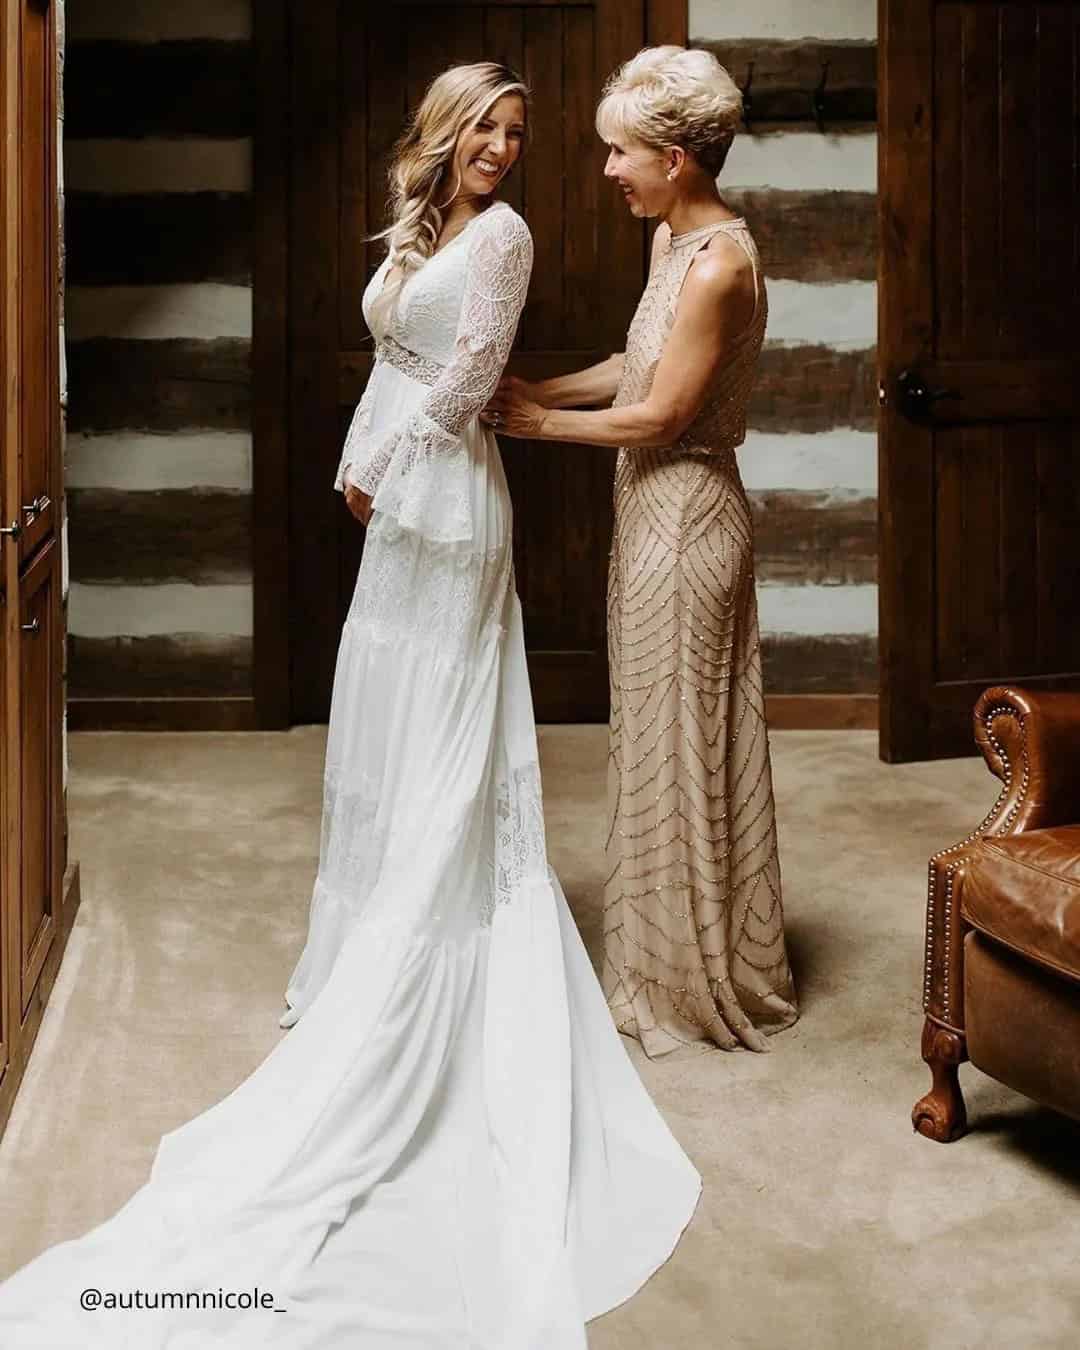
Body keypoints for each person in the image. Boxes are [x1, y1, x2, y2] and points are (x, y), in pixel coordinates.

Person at [0, 61, 701, 1348]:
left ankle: (418, 973)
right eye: (482, 126)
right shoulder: (419, 224)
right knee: (379, 731)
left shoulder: (507, 239)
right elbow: (396, 349)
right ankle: (357, 950)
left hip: (448, 508)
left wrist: (374, 457)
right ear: (439, 129)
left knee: (440, 734)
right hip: (396, 507)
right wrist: (352, 451)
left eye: (515, 132)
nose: (500, 147)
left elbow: (464, 382)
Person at [483, 46, 799, 1059]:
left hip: (688, 515)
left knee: (680, 742)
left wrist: (534, 430)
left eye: (620, 153)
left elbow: (661, 414)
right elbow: (632, 365)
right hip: (652, 515)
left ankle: (689, 976)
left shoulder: (719, 264)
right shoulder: (674, 243)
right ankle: (668, 951)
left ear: (674, 156)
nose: (608, 170)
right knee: (662, 738)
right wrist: (531, 392)